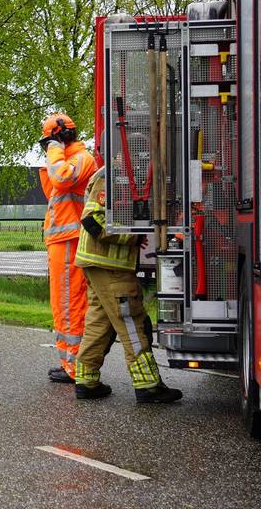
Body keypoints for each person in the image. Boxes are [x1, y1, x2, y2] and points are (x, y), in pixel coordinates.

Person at [74, 167, 183, 403]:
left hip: (100, 264)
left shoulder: (120, 176)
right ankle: (148, 385)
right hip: (110, 266)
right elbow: (92, 220)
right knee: (132, 322)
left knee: (99, 323)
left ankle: (86, 379)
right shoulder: (112, 177)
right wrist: (134, 236)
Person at [38, 113, 96, 384]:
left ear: (60, 137)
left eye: (48, 141)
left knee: (70, 305)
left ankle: (74, 367)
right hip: (63, 241)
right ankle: (69, 362)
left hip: (71, 240)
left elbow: (61, 179)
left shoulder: (81, 158)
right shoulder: (66, 158)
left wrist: (54, 149)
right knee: (62, 305)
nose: (47, 148)